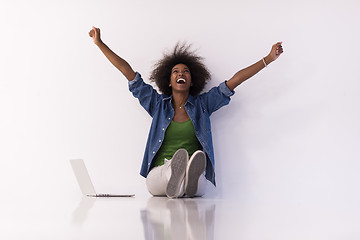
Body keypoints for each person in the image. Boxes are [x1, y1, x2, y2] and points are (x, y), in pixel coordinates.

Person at [89, 26, 283, 198]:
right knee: (161, 178)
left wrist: (268, 59)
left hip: (194, 176)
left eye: (185, 72)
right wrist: (100, 43)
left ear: (192, 80)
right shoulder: (158, 104)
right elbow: (128, 72)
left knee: (198, 186)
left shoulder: (203, 104)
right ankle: (173, 172)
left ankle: (186, 176)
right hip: (159, 173)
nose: (181, 73)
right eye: (175, 72)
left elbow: (235, 80)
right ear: (169, 80)